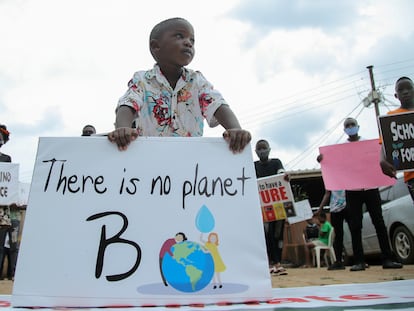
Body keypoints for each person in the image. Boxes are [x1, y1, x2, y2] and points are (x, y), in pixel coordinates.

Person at [107, 17, 251, 153]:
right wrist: (123, 129)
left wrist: (235, 129)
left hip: (190, 161)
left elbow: (217, 104)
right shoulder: (142, 79)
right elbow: (128, 104)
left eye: (192, 40)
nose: (188, 42)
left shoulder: (197, 81)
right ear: (155, 46)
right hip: (150, 160)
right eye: (179, 36)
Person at [343, 117, 402, 271]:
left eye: (352, 125)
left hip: (371, 188)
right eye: (347, 126)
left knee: (379, 223)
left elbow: (382, 157)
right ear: (344, 130)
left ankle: (387, 259)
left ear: (358, 126)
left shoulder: (370, 144)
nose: (350, 127)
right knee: (355, 226)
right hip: (352, 191)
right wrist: (324, 159)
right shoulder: (341, 149)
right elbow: (335, 165)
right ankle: (359, 261)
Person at [254, 139, 288, 276]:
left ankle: (278, 262)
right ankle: (271, 263)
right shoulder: (253, 166)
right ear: (256, 152)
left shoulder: (276, 162)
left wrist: (284, 177)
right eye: (259, 149)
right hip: (262, 207)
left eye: (264, 148)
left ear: (269, 149)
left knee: (278, 235)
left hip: (277, 205)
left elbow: (281, 174)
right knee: (267, 235)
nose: (262, 151)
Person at [380, 76, 414, 201]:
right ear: (396, 95)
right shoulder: (391, 118)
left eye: (409, 88)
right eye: (401, 90)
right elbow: (385, 144)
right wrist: (382, 160)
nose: (405, 92)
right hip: (412, 177)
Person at [315, 188, 348, 270]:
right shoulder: (330, 177)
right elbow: (327, 193)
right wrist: (320, 209)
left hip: (348, 205)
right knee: (339, 235)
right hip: (335, 208)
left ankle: (359, 259)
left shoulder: (325, 224)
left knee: (354, 230)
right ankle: (339, 261)